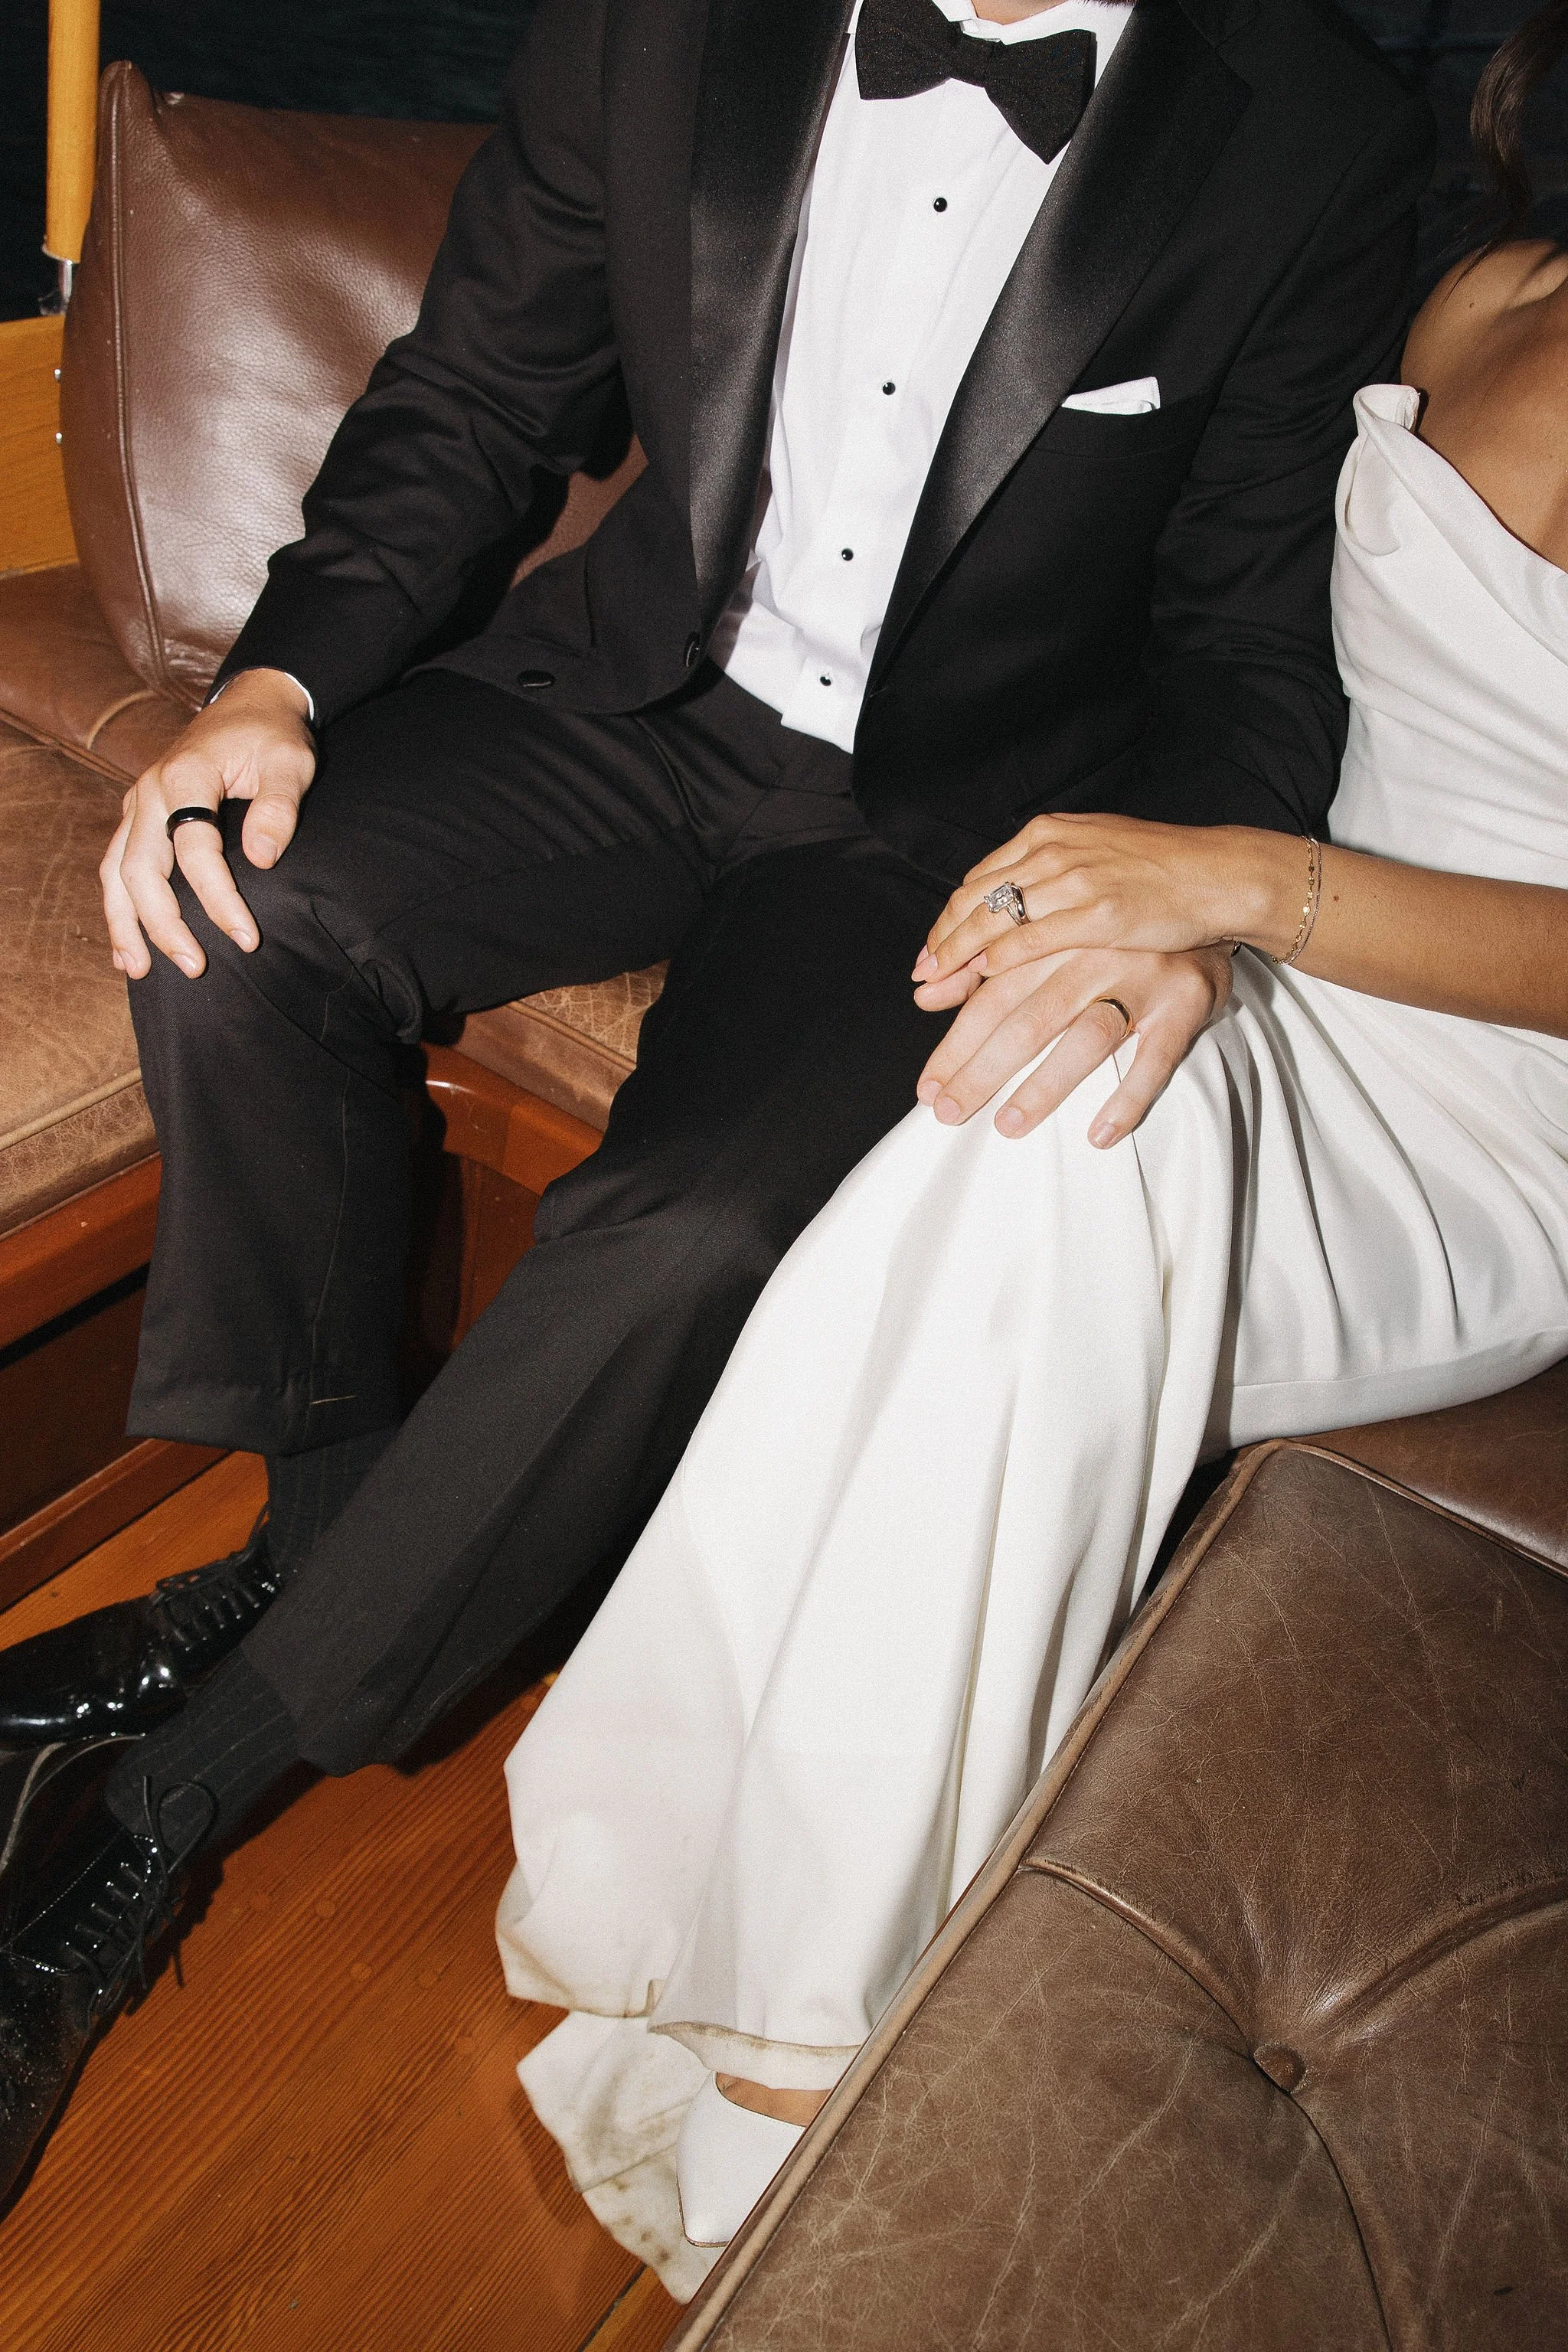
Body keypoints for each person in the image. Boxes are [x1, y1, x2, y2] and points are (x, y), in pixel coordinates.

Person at [0, 0, 1431, 2203]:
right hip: (648, 696)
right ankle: (321, 1534)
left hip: (950, 824)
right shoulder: (665, 21)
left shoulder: (1309, 124)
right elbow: (476, 394)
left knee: (704, 1227)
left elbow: (1255, 640)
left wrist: (1178, 899)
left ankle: (179, 1799)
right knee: (237, 910)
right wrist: (269, 688)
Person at [492, 0, 1568, 2292]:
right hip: (1283, 939)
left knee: (1080, 1152)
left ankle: (799, 2050)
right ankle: (673, 1871)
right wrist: (1173, 903)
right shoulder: (1492, 287)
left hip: (1497, 1093)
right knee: (1015, 1083)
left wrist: (1230, 897)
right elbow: (1253, 629)